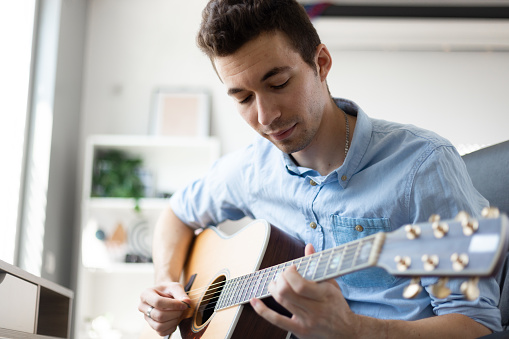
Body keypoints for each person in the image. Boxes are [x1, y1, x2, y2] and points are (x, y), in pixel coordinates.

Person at [139, 0, 501, 337]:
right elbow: (177, 213)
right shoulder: (251, 169)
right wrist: (166, 283)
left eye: (278, 83)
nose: (266, 117)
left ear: (321, 63)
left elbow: (474, 320)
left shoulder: (422, 165)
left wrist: (352, 328)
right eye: (244, 98)